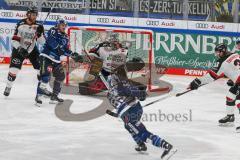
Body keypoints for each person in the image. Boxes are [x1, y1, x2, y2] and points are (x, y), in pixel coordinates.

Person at [106, 65, 177, 159]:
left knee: (142, 133)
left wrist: (140, 94)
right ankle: (141, 145)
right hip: (133, 110)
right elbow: (124, 99)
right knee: (128, 126)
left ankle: (167, 147)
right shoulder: (113, 90)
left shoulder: (117, 87)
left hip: (130, 112)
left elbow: (132, 92)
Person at [188, 44, 240, 132]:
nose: (216, 54)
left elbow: (211, 76)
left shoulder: (222, 62)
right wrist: (233, 79)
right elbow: (235, 69)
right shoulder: (234, 54)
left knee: (239, 100)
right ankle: (230, 117)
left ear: (222, 52)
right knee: (230, 95)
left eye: (218, 52)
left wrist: (197, 81)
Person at [78, 33, 145, 95]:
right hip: (102, 72)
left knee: (138, 86)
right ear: (109, 41)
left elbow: (124, 61)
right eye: (112, 41)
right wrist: (89, 57)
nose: (114, 43)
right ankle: (94, 80)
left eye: (116, 41)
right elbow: (91, 54)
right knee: (96, 63)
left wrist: (132, 62)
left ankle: (118, 86)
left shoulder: (123, 48)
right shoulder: (101, 45)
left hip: (116, 73)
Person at [35, 18, 82, 105]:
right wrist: (58, 48)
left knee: (60, 76)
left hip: (56, 60)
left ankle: (54, 96)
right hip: (46, 57)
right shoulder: (53, 30)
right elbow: (50, 40)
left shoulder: (66, 37)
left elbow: (65, 50)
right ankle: (39, 96)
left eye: (65, 25)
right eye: (62, 25)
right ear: (57, 25)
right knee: (45, 77)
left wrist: (73, 55)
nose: (64, 27)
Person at [3, 7, 45, 97]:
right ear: (28, 14)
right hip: (20, 49)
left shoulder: (39, 26)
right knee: (13, 70)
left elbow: (42, 42)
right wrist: (19, 48)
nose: (35, 17)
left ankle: (41, 89)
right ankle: (8, 86)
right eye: (33, 14)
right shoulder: (20, 24)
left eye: (36, 15)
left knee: (41, 69)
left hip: (32, 50)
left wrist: (40, 34)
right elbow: (14, 40)